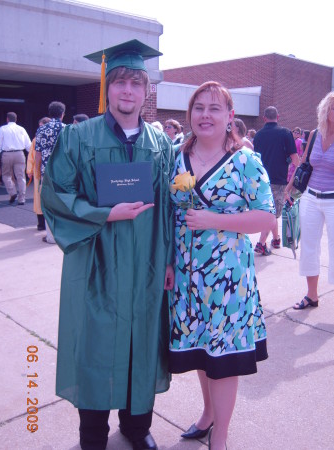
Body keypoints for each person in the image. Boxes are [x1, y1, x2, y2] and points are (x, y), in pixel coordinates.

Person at [40, 39, 174, 450]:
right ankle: (92, 435)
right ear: (108, 88)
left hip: (148, 260)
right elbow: (55, 194)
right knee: (97, 344)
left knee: (141, 343)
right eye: (120, 82)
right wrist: (104, 214)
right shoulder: (79, 137)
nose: (128, 90)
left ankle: (137, 428)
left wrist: (168, 260)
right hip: (97, 260)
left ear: (147, 91)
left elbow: (168, 205)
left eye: (136, 82)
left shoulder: (161, 142)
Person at [169, 81, 276, 450]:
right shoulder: (174, 156)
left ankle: (222, 436)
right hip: (185, 275)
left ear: (230, 117)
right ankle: (208, 413)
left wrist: (216, 220)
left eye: (215, 108)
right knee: (202, 350)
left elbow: (267, 219)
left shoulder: (246, 161)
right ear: (190, 114)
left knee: (225, 357)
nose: (205, 115)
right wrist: (168, 262)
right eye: (199, 107)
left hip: (228, 279)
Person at [285, 91, 334, 310]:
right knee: (309, 247)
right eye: (333, 107)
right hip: (311, 197)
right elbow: (304, 162)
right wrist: (289, 188)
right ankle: (311, 296)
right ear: (326, 110)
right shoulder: (314, 134)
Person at [253, 106, 299, 255]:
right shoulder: (285, 133)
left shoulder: (258, 135)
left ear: (264, 118)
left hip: (260, 180)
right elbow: (295, 160)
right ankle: (261, 242)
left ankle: (276, 239)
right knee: (272, 213)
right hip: (278, 180)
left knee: (268, 210)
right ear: (278, 117)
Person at [35, 101, 66, 244]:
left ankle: (51, 237)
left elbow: (38, 154)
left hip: (46, 172)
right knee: (64, 203)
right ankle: (65, 234)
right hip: (65, 173)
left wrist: (37, 171)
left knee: (48, 204)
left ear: (49, 113)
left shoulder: (41, 130)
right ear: (62, 114)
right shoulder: (68, 129)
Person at [0, 112, 31, 205]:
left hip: (7, 154)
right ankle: (22, 199)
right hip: (20, 153)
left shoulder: (3, 129)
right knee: (21, 177)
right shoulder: (21, 129)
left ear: (7, 119)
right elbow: (28, 144)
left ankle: (12, 192)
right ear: (16, 119)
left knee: (6, 175)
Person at [26, 116, 51, 231]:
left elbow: (32, 156)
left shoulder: (37, 139)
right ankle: (45, 224)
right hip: (48, 171)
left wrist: (30, 170)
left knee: (39, 197)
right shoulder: (57, 136)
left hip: (39, 170)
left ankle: (41, 224)